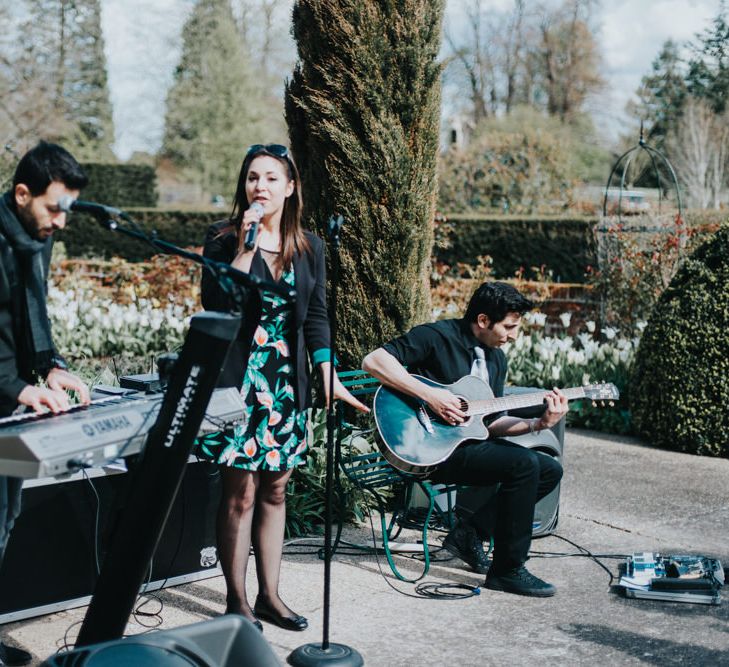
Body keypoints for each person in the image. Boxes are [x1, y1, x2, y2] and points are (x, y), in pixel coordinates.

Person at [197, 144, 367, 631]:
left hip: (285, 386)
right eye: (252, 178)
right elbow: (216, 302)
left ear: (290, 187)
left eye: (271, 178)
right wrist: (246, 248)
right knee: (240, 495)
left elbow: (315, 317)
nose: (260, 187)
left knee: (275, 490)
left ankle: (270, 595)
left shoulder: (309, 246)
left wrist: (327, 371)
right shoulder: (222, 239)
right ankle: (237, 601)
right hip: (239, 384)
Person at [362, 281, 567, 597]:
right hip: (428, 449)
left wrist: (538, 423)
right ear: (484, 321)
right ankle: (507, 571)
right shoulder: (436, 337)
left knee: (549, 469)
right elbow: (374, 361)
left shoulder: (496, 359)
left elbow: (492, 423)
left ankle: (469, 533)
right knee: (523, 464)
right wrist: (432, 397)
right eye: (509, 327)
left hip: (469, 446)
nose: (514, 335)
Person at [0, 142, 90, 665]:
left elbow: (30, 319)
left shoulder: (33, 237)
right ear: (21, 193)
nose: (61, 221)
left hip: (9, 407)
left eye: (67, 210)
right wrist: (16, 387)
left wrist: (51, 365)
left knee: (6, 515)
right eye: (54, 207)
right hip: (4, 397)